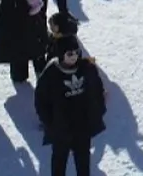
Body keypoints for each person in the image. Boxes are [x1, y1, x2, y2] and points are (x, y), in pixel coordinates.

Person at [35, 35, 107, 176]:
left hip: (82, 126)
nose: (74, 56)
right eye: (69, 53)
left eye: (76, 52)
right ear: (61, 54)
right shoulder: (51, 72)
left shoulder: (87, 68)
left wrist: (98, 111)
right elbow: (41, 100)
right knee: (59, 160)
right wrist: (50, 122)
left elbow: (98, 90)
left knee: (83, 160)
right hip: (61, 128)